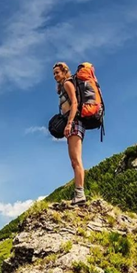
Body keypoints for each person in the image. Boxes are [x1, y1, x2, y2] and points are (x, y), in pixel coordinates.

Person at [53, 62, 86, 205]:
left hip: (74, 122)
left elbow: (74, 103)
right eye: (54, 73)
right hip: (73, 122)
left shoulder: (67, 83)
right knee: (74, 161)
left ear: (64, 72)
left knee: (76, 160)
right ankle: (78, 193)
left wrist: (69, 122)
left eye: (57, 73)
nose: (55, 76)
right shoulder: (63, 86)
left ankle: (80, 194)